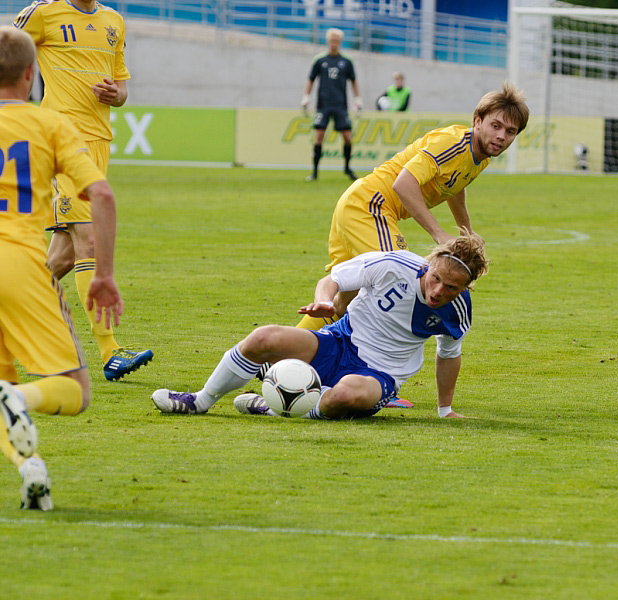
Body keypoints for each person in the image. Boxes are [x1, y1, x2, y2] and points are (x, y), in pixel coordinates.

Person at [293, 80, 528, 408]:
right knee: (400, 281)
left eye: (511, 131)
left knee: (338, 302)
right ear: (478, 121)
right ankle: (369, 375)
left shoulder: (479, 156)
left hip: (359, 204)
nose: (501, 136)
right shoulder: (454, 142)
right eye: (495, 126)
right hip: (372, 204)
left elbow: (454, 186)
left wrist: (467, 232)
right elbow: (403, 183)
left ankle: (278, 368)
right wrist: (438, 235)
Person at [151, 233, 489, 421]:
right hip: (338, 341)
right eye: (436, 279)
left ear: (466, 288)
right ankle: (200, 400)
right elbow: (334, 279)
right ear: (428, 265)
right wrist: (326, 301)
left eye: (451, 288)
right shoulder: (392, 265)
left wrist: (445, 410)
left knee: (346, 394)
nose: (437, 292)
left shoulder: (458, 310)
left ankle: (272, 407)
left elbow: (449, 355)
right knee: (263, 337)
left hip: (380, 374)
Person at [0, 26, 124, 510]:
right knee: (75, 390)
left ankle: (29, 468)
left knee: (3, 384)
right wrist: (104, 275)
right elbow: (104, 195)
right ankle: (21, 404)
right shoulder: (50, 124)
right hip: (18, 263)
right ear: (32, 73)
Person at [14, 0, 153, 381]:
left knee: (62, 258)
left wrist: (116, 95)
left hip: (98, 142)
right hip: (59, 141)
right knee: (89, 243)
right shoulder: (42, 13)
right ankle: (110, 351)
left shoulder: (114, 21)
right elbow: (6, 59)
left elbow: (122, 87)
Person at [302, 27, 362, 183]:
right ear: (327, 41)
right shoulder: (320, 60)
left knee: (348, 137)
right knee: (319, 135)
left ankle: (347, 168)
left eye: (337, 41)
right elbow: (311, 79)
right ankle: (314, 172)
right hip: (323, 104)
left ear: (340, 42)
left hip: (341, 105)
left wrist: (358, 99)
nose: (334, 43)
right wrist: (306, 96)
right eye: (331, 41)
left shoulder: (347, 61)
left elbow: (353, 81)